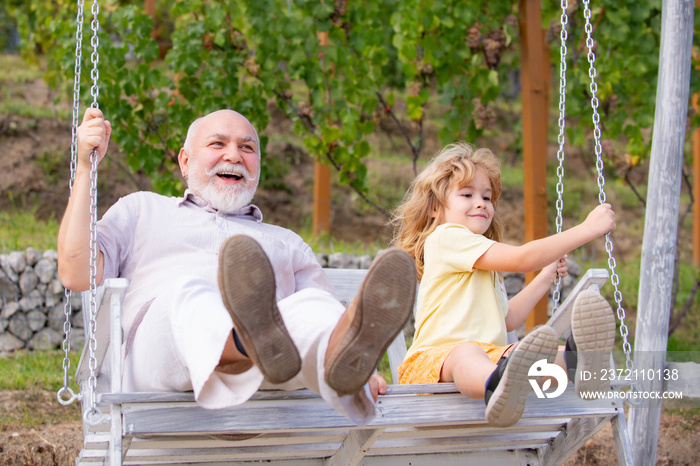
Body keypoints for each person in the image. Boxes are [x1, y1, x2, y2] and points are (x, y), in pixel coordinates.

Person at [57, 107, 417, 424]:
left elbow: (319, 314)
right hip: (159, 370)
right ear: (185, 161)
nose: (234, 154)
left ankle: (333, 358)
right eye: (217, 144)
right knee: (189, 295)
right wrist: (87, 167)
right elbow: (76, 272)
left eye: (247, 148)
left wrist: (351, 356)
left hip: (268, 392)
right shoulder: (143, 210)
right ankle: (247, 339)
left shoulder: (287, 242)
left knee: (311, 306)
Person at [391, 142, 617, 427]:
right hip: (430, 368)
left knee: (525, 356)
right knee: (467, 352)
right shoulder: (447, 238)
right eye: (467, 194)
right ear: (436, 207)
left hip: (491, 358)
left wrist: (545, 277)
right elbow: (524, 258)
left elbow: (507, 318)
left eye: (487, 197)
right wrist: (588, 229)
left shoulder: (484, 266)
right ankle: (499, 384)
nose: (481, 203)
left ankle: (576, 361)